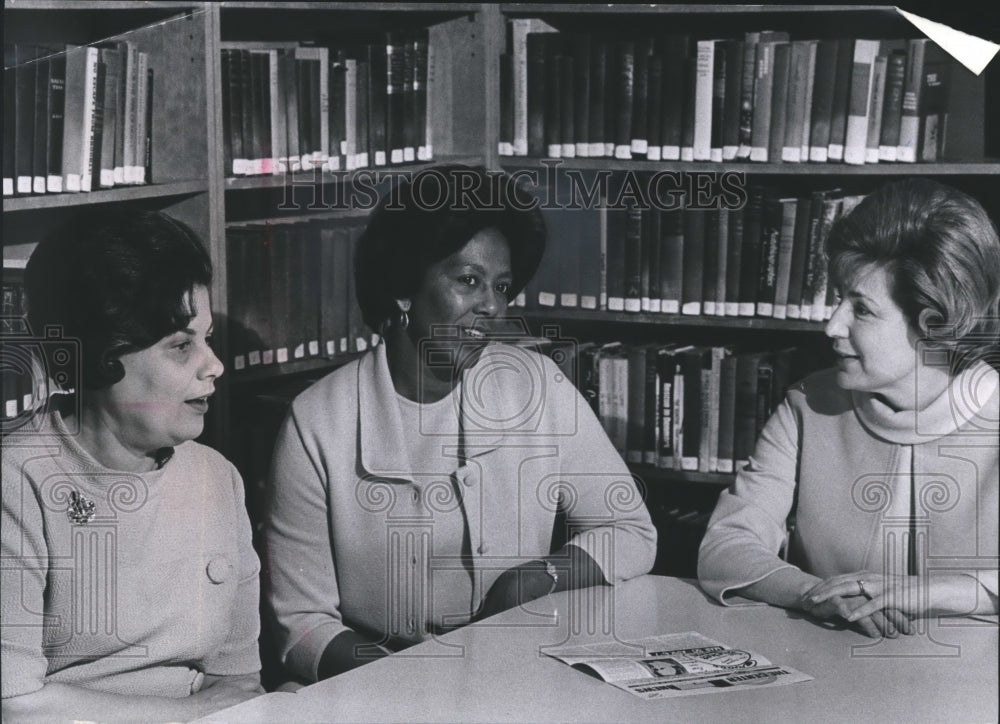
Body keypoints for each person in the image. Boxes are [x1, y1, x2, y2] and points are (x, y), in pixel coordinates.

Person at [264, 165, 657, 682]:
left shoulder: (535, 386)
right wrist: (414, 683)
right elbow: (302, 624)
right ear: (403, 289)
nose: (492, 306)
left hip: (518, 672)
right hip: (380, 691)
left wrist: (535, 579)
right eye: (468, 281)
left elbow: (629, 530)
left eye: (502, 286)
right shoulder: (317, 422)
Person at [698, 178, 999, 638]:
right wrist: (814, 593)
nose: (831, 325)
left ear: (936, 322)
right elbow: (725, 545)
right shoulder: (808, 404)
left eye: (862, 309)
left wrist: (941, 592)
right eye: (839, 297)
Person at [1, 210, 264, 721]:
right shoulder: (17, 482)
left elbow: (237, 679)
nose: (214, 366)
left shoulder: (217, 477)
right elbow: (14, 705)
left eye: (207, 339)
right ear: (104, 355)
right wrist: (190, 715)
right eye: (182, 346)